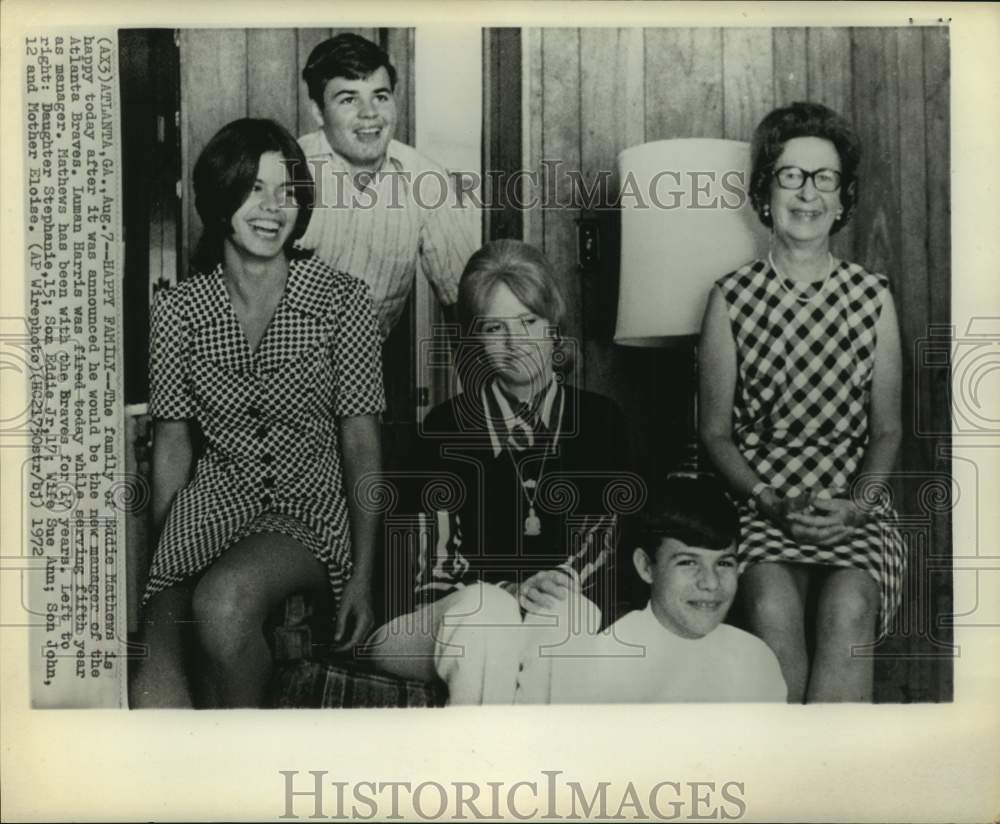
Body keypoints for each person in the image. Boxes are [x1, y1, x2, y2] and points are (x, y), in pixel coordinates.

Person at [131, 118, 384, 708]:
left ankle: (250, 775)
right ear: (221, 198)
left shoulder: (341, 300)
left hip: (306, 510)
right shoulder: (178, 310)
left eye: (288, 191)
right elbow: (173, 444)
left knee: (222, 604)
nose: (273, 208)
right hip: (209, 508)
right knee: (154, 696)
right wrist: (164, 562)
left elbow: (362, 445)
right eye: (254, 189)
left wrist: (364, 579)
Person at [365, 239, 637, 704]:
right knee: (489, 612)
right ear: (475, 339)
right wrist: (510, 590)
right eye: (495, 328)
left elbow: (607, 542)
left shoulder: (600, 422)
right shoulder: (444, 428)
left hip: (549, 614)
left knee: (563, 617)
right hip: (431, 619)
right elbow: (432, 569)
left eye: (529, 322)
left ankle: (538, 771)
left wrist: (554, 586)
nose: (516, 344)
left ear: (554, 326)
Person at [698, 101, 905, 703]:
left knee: (850, 606)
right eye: (791, 175)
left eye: (825, 178)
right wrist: (768, 499)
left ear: (843, 198)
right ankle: (784, 778)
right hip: (763, 500)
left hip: (853, 501)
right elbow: (714, 433)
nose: (808, 193)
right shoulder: (730, 299)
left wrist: (860, 506)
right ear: (766, 191)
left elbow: (888, 429)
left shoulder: (872, 298)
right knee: (769, 603)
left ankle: (834, 783)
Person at [298, 32, 476, 339]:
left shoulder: (426, 181)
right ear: (317, 111)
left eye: (380, 97)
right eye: (349, 99)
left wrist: (480, 386)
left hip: (364, 363)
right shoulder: (287, 169)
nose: (370, 114)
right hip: (270, 364)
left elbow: (462, 300)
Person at [550, 476, 787, 703]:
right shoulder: (608, 657)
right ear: (646, 567)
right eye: (688, 562)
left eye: (724, 563)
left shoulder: (754, 657)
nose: (711, 583)